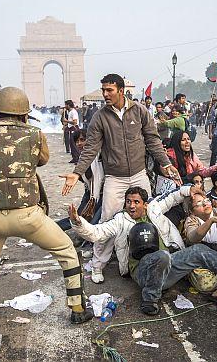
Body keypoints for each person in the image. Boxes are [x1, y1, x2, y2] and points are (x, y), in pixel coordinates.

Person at [0, 87, 93, 340]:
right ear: (24, 113)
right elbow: (43, 160)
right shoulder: (34, 134)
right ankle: (78, 308)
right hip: (28, 215)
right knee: (68, 252)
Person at [68, 186, 217, 315]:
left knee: (198, 250)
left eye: (136, 202)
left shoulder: (155, 209)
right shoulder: (120, 220)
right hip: (143, 271)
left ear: (145, 204)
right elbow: (95, 232)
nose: (131, 206)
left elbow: (173, 197)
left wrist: (189, 190)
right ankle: (150, 300)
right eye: (128, 202)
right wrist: (77, 222)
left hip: (169, 266)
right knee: (161, 255)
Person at [61, 74, 180, 284]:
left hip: (139, 174)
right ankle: (98, 265)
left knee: (148, 215)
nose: (105, 94)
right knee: (107, 220)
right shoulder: (100, 117)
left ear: (121, 90)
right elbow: (91, 148)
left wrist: (166, 163)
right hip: (114, 178)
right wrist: (77, 172)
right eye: (104, 90)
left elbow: (153, 140)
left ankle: (152, 257)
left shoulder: (140, 111)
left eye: (109, 90)